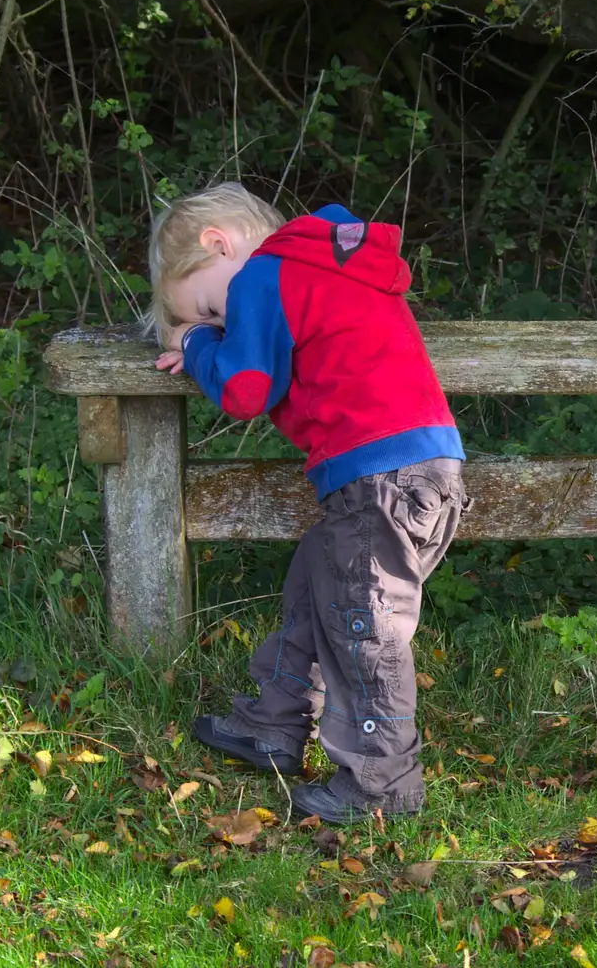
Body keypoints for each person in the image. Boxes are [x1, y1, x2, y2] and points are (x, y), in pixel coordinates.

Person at [149, 182, 467, 824]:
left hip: (381, 476)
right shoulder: (327, 265)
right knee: (318, 589)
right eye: (212, 320)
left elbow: (245, 389)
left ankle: (383, 786)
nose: (224, 320)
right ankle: (274, 724)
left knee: (366, 629)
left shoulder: (265, 274)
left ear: (221, 245)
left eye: (210, 304)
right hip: (414, 471)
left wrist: (196, 345)